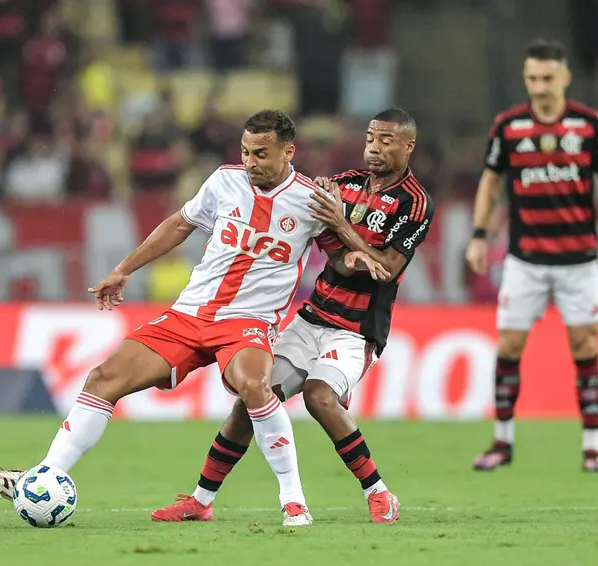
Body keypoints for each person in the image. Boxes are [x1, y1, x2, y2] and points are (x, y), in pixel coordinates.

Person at [0, 109, 385, 527]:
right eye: (245, 152)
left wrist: (355, 258)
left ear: (288, 152)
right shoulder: (224, 181)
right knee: (103, 378)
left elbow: (340, 256)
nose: (250, 162)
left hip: (247, 322)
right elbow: (179, 224)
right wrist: (123, 269)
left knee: (255, 387)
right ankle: (44, 476)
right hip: (190, 314)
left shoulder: (311, 200)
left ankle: (294, 502)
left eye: (261, 154)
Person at [149, 108, 434, 524]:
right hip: (311, 319)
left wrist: (341, 225)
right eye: (370, 139)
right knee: (253, 399)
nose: (374, 148)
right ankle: (200, 500)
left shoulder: (415, 202)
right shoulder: (342, 185)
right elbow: (300, 211)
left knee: (319, 396)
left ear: (408, 146)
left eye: (385, 141)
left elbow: (387, 268)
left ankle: (379, 493)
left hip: (356, 330)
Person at [465, 40, 598, 473]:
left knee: (584, 345)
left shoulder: (590, 125)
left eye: (547, 78)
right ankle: (502, 442)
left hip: (579, 259)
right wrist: (479, 236)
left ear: (565, 77)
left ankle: (592, 448)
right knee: (509, 345)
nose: (540, 87)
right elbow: (490, 182)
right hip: (525, 260)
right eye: (533, 78)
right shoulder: (508, 126)